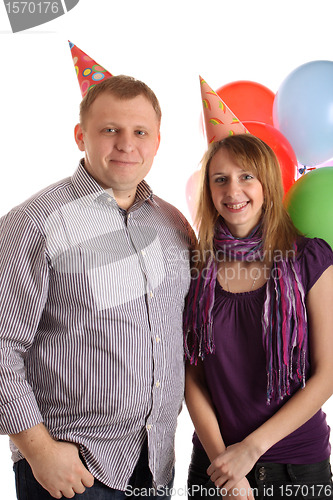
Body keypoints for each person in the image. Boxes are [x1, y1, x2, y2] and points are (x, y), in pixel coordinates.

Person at [0, 73, 194, 500]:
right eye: (110, 130)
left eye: (140, 132)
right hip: (71, 470)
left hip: (155, 464)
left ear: (158, 141)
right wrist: (39, 452)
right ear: (80, 135)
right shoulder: (34, 222)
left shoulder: (174, 225)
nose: (126, 144)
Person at [184, 134, 333, 499]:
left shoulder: (308, 259)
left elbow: (328, 372)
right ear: (209, 190)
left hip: (297, 468)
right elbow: (191, 376)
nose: (233, 190)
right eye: (220, 179)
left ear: (267, 183)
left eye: (246, 176)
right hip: (215, 467)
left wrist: (250, 450)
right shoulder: (195, 266)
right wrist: (227, 469)